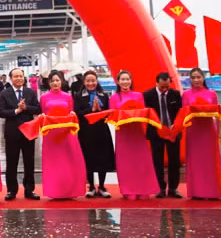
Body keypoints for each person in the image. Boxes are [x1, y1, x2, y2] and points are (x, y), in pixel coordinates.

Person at [182, 67, 221, 199]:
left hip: (208, 131)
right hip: (193, 132)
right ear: (190, 80)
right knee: (195, 161)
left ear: (203, 78)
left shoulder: (212, 94)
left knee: (210, 161)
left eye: (198, 77)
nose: (196, 80)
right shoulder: (186, 94)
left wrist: (219, 132)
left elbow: (216, 113)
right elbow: (183, 114)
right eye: (193, 78)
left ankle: (212, 192)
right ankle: (196, 192)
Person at [110, 70, 158, 199]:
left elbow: (142, 112)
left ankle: (143, 188)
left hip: (137, 132)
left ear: (131, 81)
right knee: (126, 162)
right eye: (122, 79)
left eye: (127, 79)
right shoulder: (114, 97)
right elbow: (113, 115)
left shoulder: (138, 95)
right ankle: (128, 189)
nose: (125, 82)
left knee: (140, 160)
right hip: (123, 133)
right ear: (118, 82)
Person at [39, 70, 86, 199]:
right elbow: (43, 114)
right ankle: (55, 190)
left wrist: (73, 116)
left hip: (66, 134)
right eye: (52, 81)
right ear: (49, 83)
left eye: (57, 80)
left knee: (68, 162)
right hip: (51, 136)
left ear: (62, 81)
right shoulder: (44, 98)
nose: (55, 83)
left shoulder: (68, 97)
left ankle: (70, 190)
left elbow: (71, 113)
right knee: (54, 162)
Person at [0, 68, 41, 200]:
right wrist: (16, 110)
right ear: (11, 78)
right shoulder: (5, 93)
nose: (18, 78)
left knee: (29, 161)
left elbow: (38, 108)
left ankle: (29, 189)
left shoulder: (30, 92)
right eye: (16, 76)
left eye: (21, 76)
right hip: (12, 131)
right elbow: (2, 112)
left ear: (24, 78)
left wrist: (26, 108)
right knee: (12, 162)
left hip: (28, 131)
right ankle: (11, 190)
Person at [73, 70, 115, 198]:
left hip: (101, 130)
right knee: (88, 158)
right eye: (88, 81)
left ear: (97, 81)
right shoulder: (79, 96)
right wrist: (90, 110)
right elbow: (77, 113)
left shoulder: (103, 95)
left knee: (102, 158)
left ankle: (102, 186)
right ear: (84, 82)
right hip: (86, 131)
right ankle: (91, 186)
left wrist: (100, 110)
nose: (91, 83)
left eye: (93, 81)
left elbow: (109, 111)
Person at [143, 72, 182, 198]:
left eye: (167, 86)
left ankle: (173, 188)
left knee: (174, 160)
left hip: (172, 131)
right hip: (156, 132)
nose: (165, 89)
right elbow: (146, 114)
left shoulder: (175, 94)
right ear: (157, 83)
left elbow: (180, 113)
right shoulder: (148, 95)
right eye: (162, 87)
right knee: (157, 160)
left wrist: (175, 126)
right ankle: (160, 187)